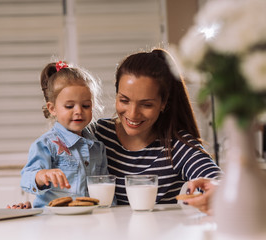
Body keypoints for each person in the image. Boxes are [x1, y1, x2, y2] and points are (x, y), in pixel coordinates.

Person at [92, 48, 222, 210]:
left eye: (146, 104)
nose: (132, 114)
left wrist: (217, 188)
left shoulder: (178, 146)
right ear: (117, 94)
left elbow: (216, 179)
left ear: (163, 103)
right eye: (124, 100)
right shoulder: (96, 135)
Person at [18, 61, 108, 208]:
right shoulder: (46, 144)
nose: (78, 111)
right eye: (69, 106)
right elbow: (26, 178)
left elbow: (106, 187)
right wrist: (42, 175)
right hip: (53, 222)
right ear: (52, 108)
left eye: (86, 105)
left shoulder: (97, 147)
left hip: (89, 219)